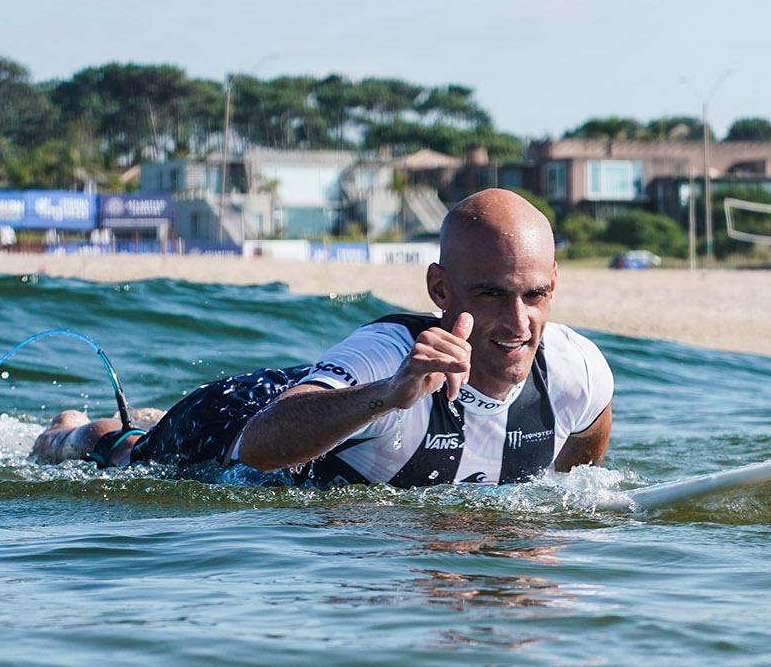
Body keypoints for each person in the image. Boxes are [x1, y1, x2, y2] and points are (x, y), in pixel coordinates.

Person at [32, 188, 614, 486]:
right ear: (440, 289)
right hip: (251, 414)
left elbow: (578, 457)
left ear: (553, 283)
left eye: (534, 295)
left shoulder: (578, 372)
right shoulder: (386, 357)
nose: (518, 321)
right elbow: (258, 449)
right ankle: (70, 430)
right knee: (130, 453)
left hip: (330, 401)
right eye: (491, 295)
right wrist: (386, 396)